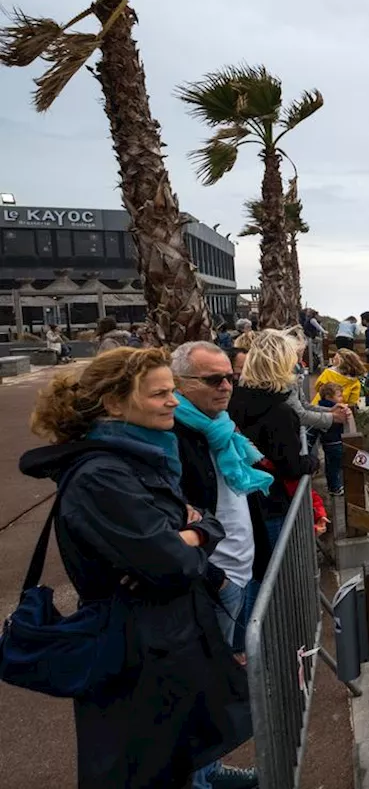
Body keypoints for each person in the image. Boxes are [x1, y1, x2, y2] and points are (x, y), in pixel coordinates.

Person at [20, 347, 251, 787]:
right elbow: (173, 562)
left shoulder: (138, 460)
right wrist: (195, 535)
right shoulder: (101, 476)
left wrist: (193, 532)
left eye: (171, 391)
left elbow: (192, 526)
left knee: (173, 753)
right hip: (133, 650)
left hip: (160, 639)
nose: (173, 402)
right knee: (141, 764)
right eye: (160, 393)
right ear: (113, 403)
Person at [170, 341, 273, 789]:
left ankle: (208, 770)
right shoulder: (175, 436)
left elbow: (237, 502)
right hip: (210, 579)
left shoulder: (221, 430)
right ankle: (197, 779)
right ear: (179, 385)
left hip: (237, 572)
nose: (227, 385)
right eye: (214, 379)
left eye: (230, 376)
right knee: (195, 685)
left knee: (215, 684)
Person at [229, 329, 319, 553]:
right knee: (281, 563)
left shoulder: (234, 399)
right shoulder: (280, 412)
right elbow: (291, 466)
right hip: (272, 502)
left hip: (243, 500)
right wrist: (312, 462)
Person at [316, 383, 347, 495]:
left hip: (328, 442)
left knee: (331, 465)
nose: (341, 398)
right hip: (334, 441)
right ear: (329, 397)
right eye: (339, 396)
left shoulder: (321, 408)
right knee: (334, 466)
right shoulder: (332, 410)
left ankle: (334, 486)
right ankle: (335, 487)